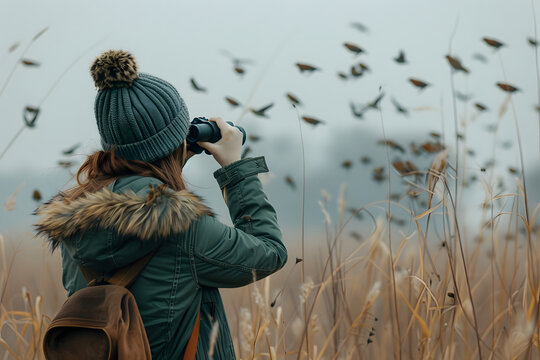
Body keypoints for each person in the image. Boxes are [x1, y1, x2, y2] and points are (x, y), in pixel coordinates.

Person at [34, 49, 288, 359]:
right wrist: (235, 169)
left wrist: (172, 158)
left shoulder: (75, 225)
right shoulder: (182, 226)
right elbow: (269, 252)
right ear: (176, 141)